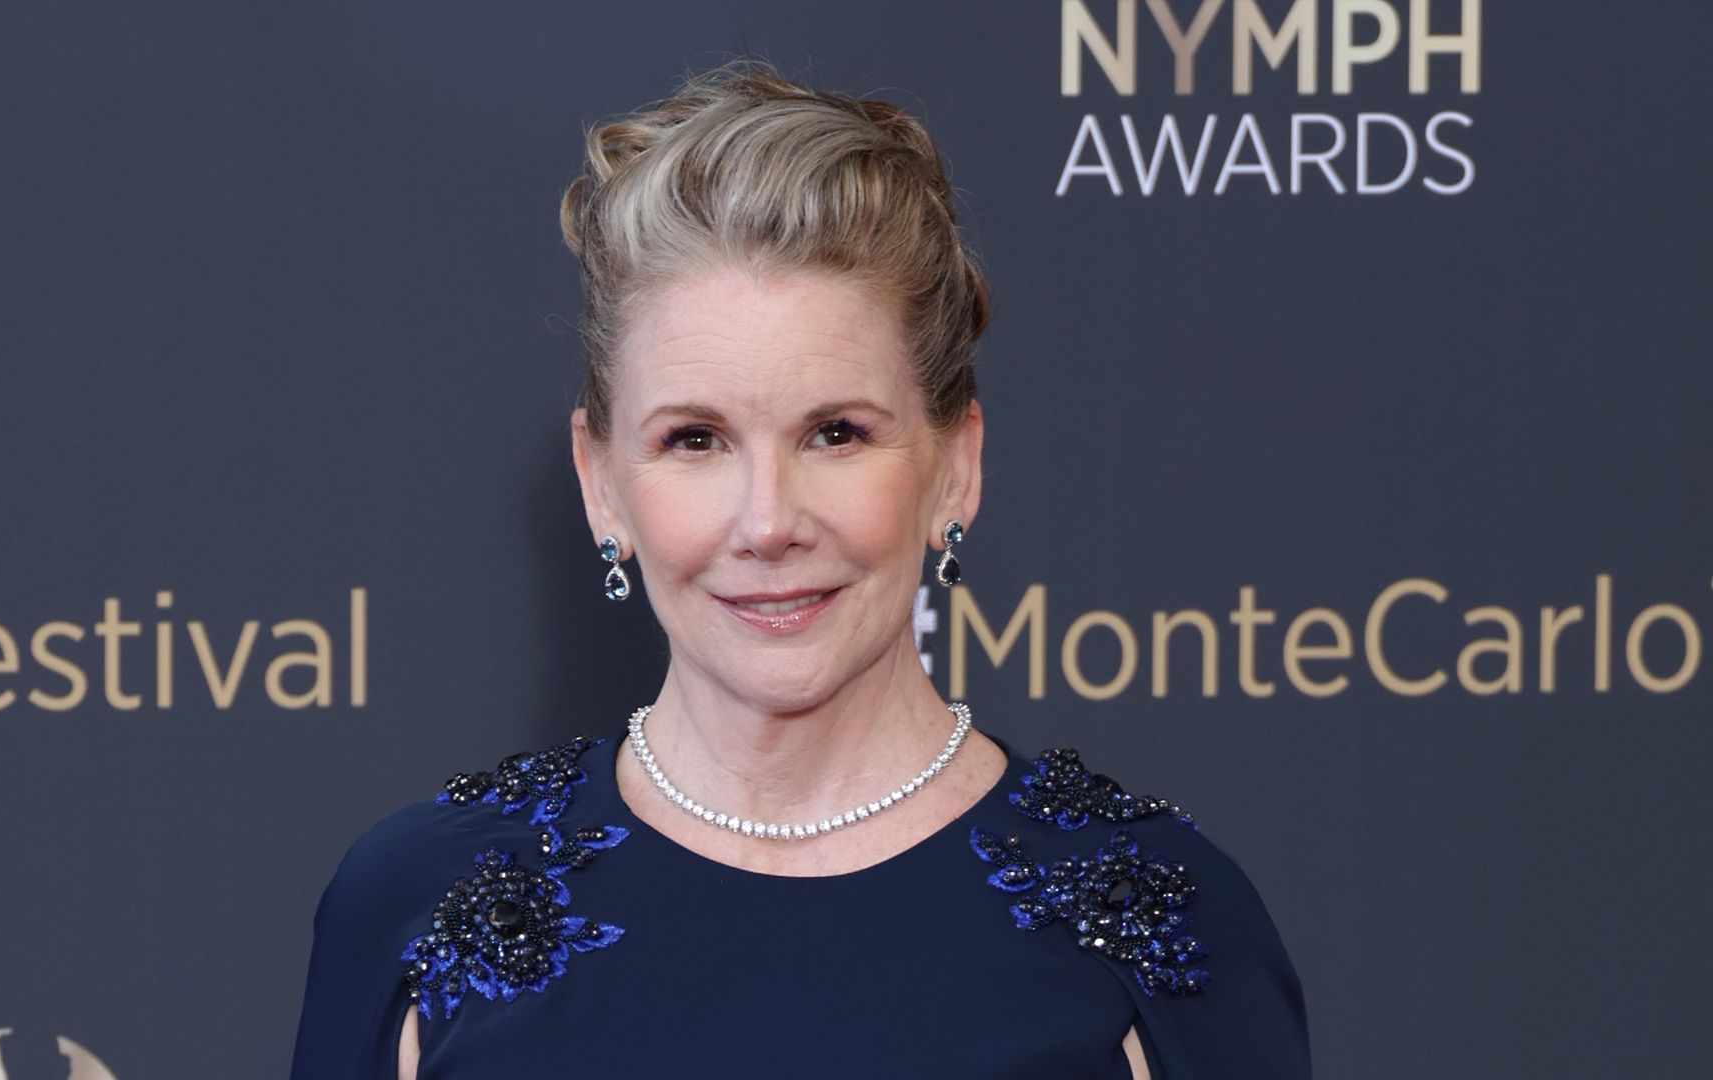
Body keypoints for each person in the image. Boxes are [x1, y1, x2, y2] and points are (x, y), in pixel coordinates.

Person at [289, 59, 1311, 1080]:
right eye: (695, 439)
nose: (768, 522)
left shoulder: (1157, 914)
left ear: (955, 464)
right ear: (601, 483)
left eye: (835, 433)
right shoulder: (416, 900)